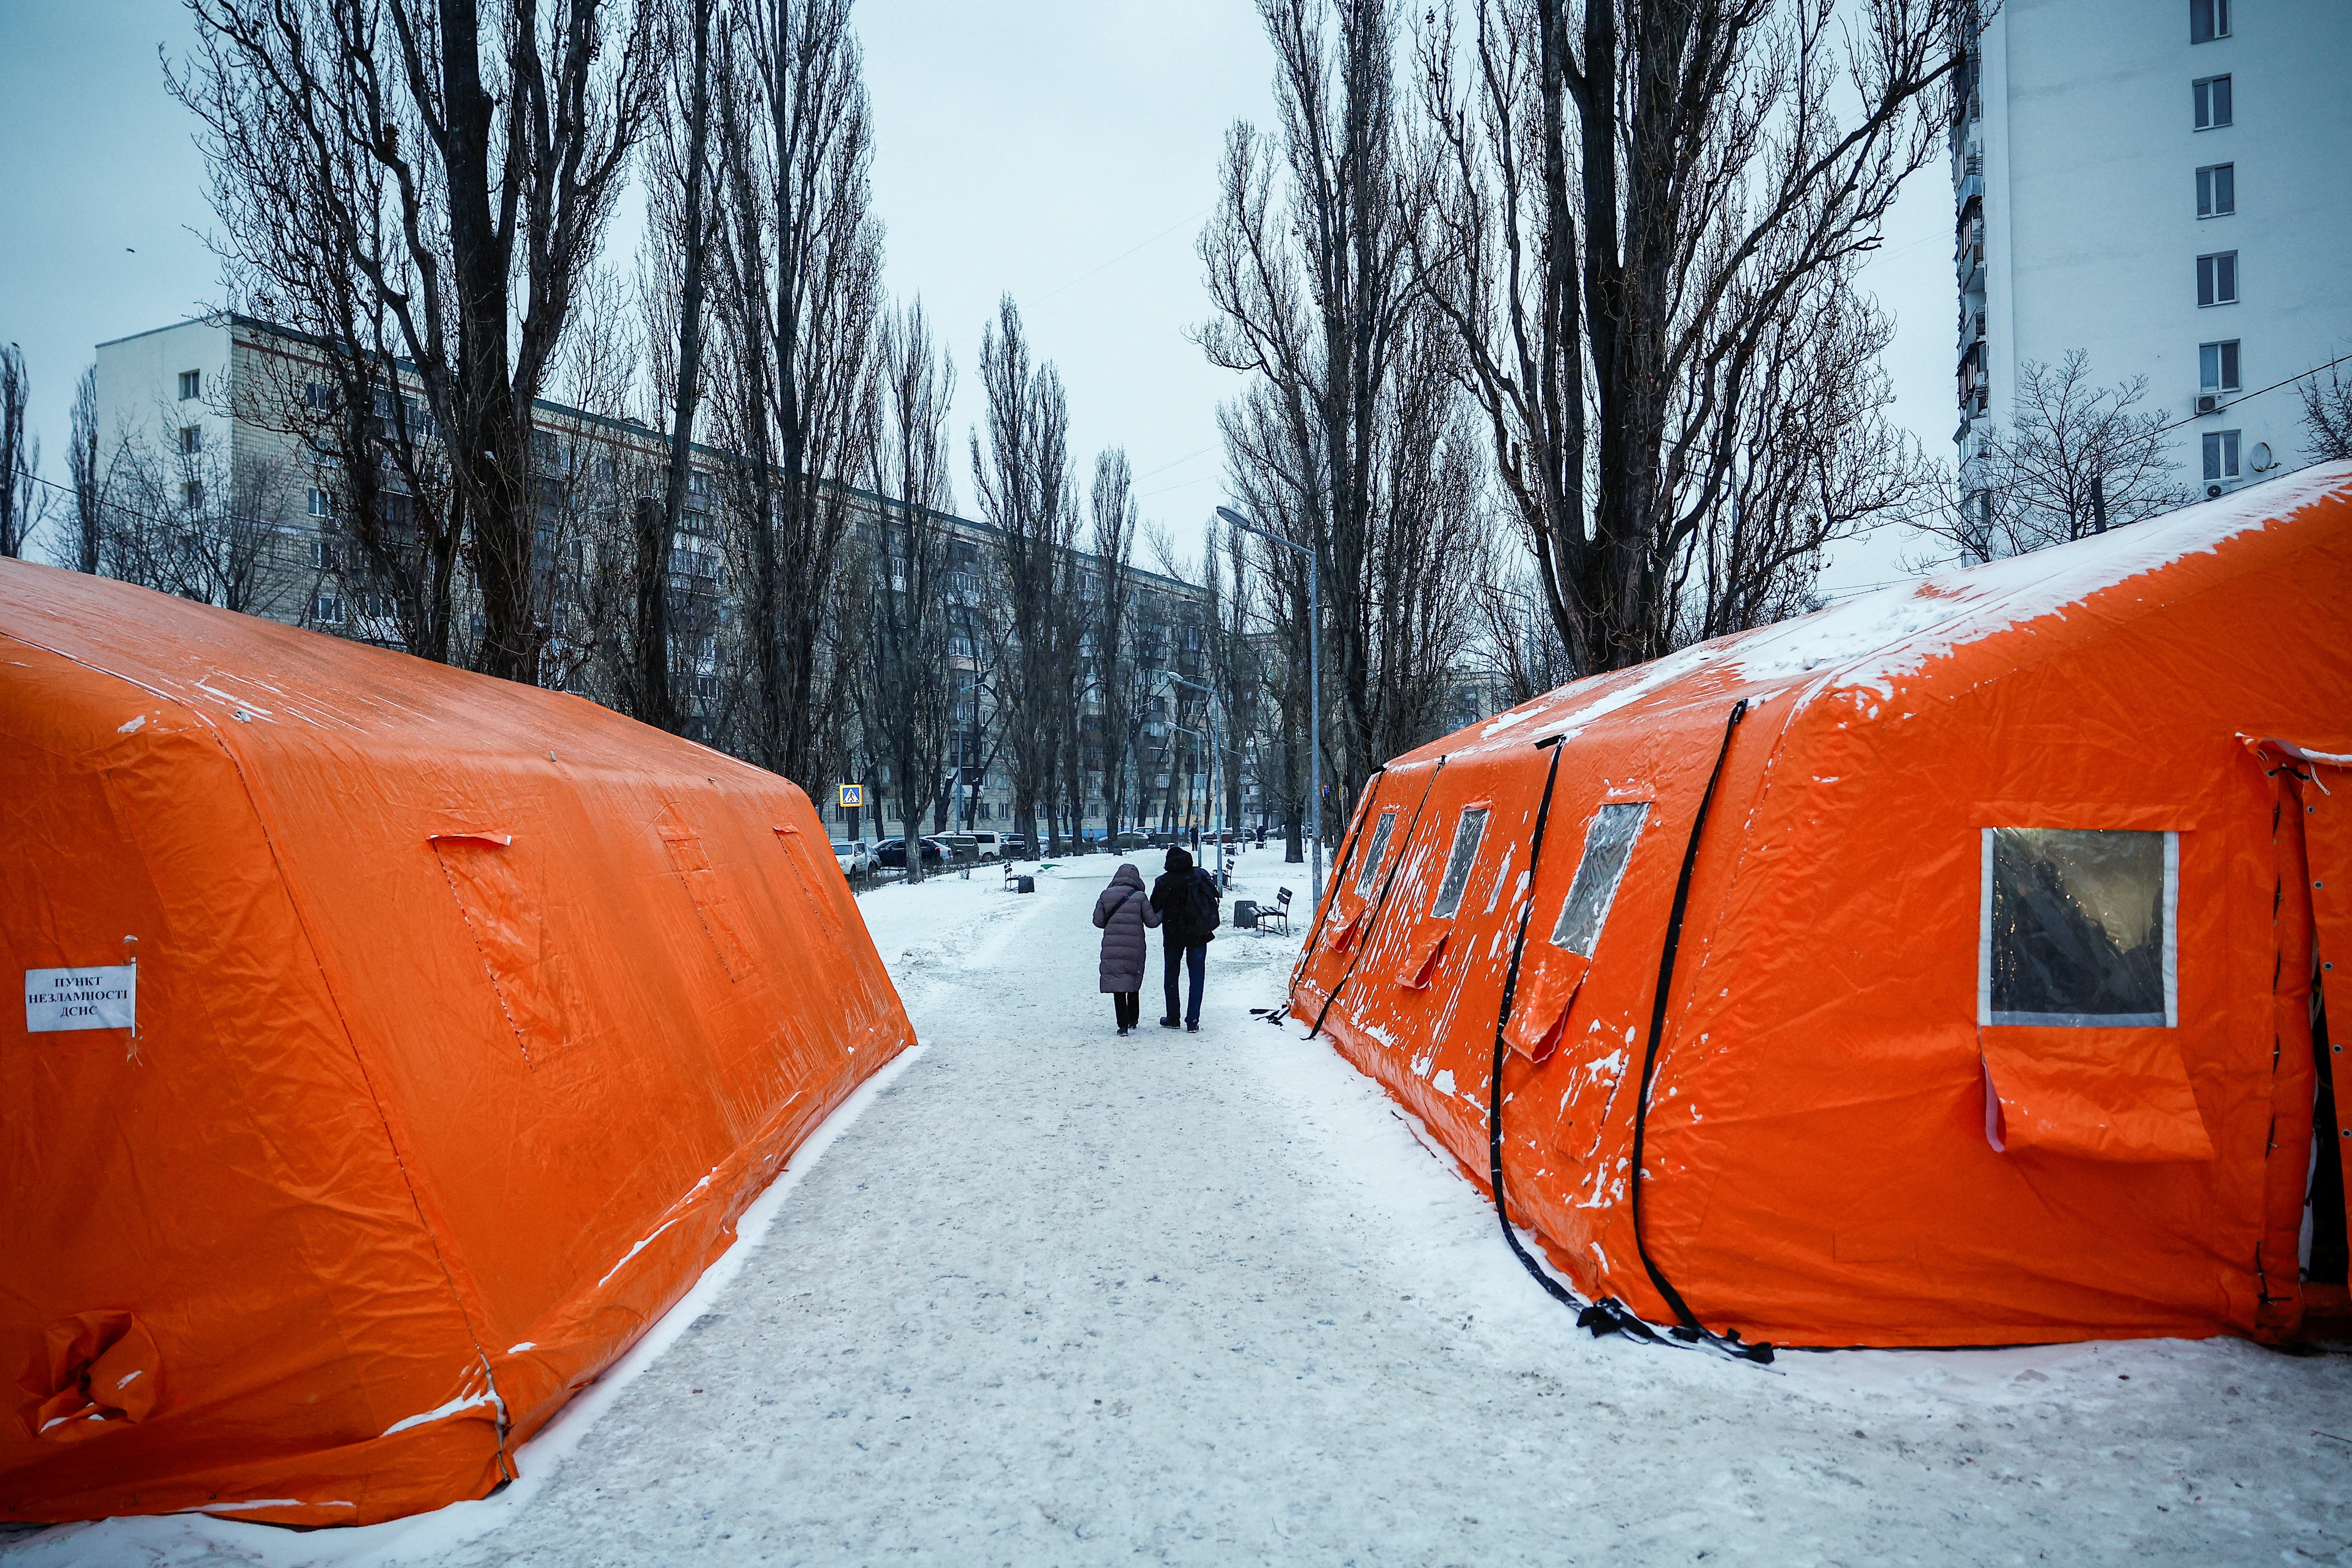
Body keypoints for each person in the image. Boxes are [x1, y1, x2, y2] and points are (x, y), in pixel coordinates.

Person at [1151, 844, 1220, 1032]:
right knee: (1197, 976)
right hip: (1199, 933)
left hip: (1174, 936)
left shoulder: (1164, 881)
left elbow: (1154, 907)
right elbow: (1215, 897)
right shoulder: (1200, 875)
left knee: (1172, 976)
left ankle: (1173, 1017)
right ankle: (1193, 1021)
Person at [1092, 862, 1160, 1036]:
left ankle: (1122, 1025)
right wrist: (1164, 912)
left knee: (1118, 982)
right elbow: (1152, 923)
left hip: (1112, 948)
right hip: (1134, 947)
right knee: (1133, 979)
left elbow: (1098, 922)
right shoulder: (1140, 897)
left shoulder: (1106, 895)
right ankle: (1133, 1019)